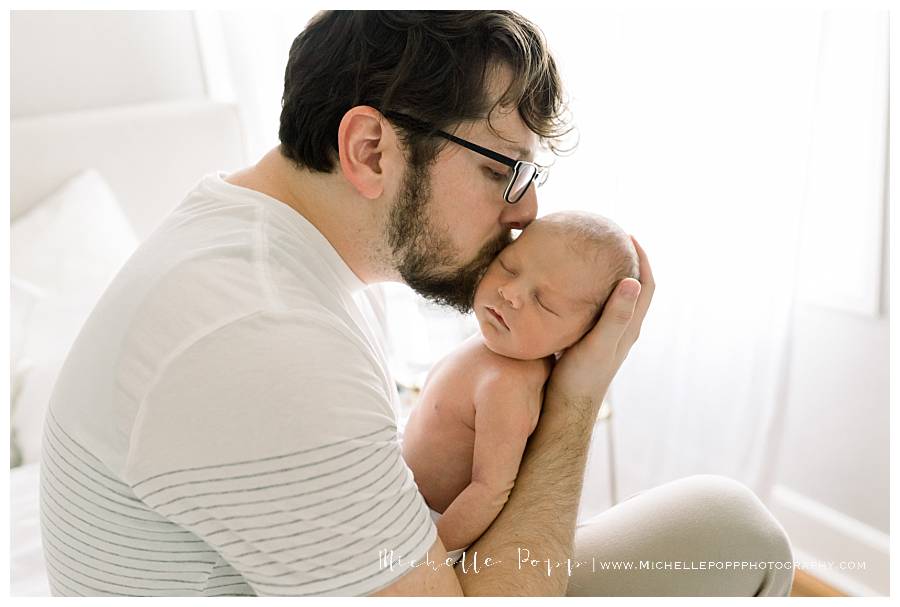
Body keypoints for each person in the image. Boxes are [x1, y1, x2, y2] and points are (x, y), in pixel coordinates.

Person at [38, 10, 793, 597]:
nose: (525, 214)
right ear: (370, 149)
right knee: (737, 531)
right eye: (507, 170)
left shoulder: (261, 244)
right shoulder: (266, 334)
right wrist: (574, 398)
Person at [402, 211, 639, 564]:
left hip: (433, 525)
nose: (509, 292)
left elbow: (490, 490)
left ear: (582, 338)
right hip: (401, 495)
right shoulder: (498, 341)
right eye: (509, 267)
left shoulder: (508, 385)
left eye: (544, 302)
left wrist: (425, 561)